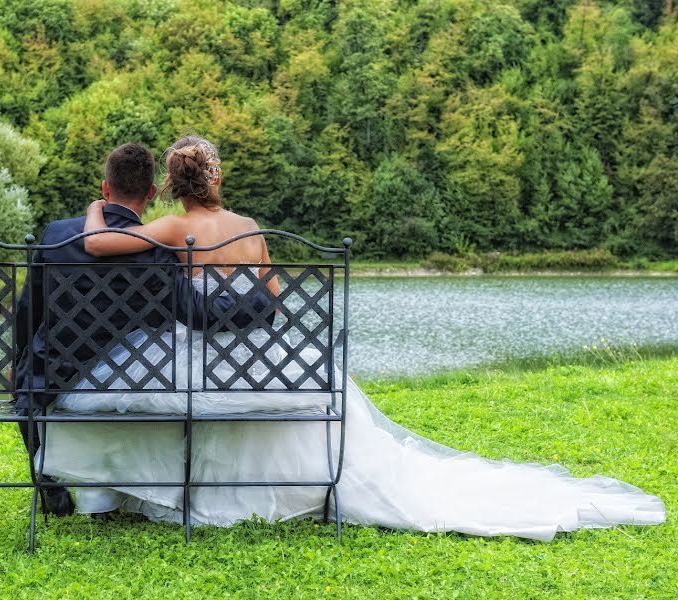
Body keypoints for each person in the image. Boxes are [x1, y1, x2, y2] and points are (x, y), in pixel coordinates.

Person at [42, 136, 666, 540]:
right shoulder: (250, 226)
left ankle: (145, 491)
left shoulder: (172, 225)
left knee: (153, 389)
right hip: (259, 359)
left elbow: (98, 245)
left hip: (201, 361)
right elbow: (272, 298)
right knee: (274, 391)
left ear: (172, 188)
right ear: (216, 180)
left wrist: (99, 207)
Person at [13, 141, 273, 517]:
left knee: (25, 383)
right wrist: (259, 305)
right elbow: (190, 312)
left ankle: (49, 481)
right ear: (151, 193)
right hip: (137, 373)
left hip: (55, 369)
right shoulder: (159, 246)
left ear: (105, 189)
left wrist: (19, 355)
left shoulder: (56, 235)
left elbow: (29, 307)